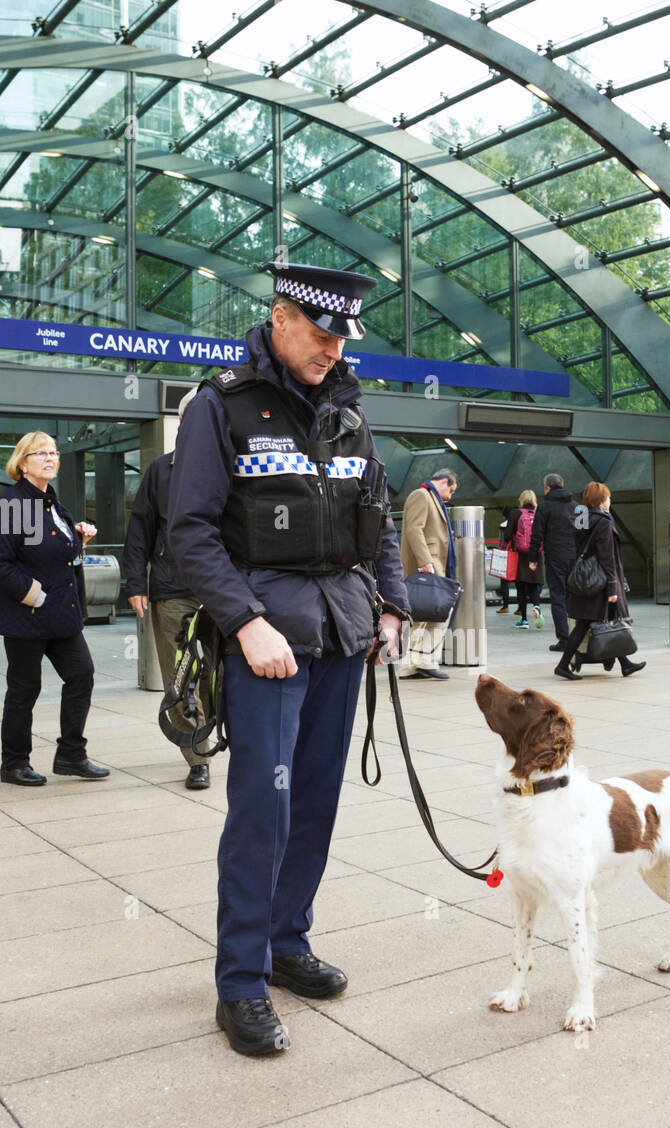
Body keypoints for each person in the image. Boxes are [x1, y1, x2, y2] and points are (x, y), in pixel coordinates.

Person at [167, 261, 408, 1059]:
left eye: (343, 337)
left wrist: (392, 605)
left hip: (341, 634)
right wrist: (244, 623)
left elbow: (376, 515)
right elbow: (191, 531)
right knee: (261, 811)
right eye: (321, 332)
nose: (333, 349)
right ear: (280, 317)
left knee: (313, 804)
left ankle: (284, 941)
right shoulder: (221, 405)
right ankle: (238, 982)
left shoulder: (348, 410)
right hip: (267, 640)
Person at [0, 431, 108, 785]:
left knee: (81, 675)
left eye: (54, 453)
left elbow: (55, 555)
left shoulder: (53, 504)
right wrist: (37, 595)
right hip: (28, 617)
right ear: (23, 462)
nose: (50, 458)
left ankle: (71, 755)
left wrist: (79, 538)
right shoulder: (16, 504)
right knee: (24, 690)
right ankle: (14, 762)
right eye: (40, 453)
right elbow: (4, 565)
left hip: (62, 617)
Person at [123, 389, 210, 790]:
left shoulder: (229, 465)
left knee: (222, 676)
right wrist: (135, 582)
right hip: (173, 589)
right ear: (182, 419)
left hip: (224, 591)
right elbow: (140, 528)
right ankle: (197, 756)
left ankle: (230, 739)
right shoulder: (160, 470)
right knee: (182, 676)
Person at [554, 481, 645, 681]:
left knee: (606, 621)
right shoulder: (603, 522)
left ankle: (625, 663)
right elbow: (607, 556)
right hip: (600, 581)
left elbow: (579, 546)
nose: (610, 500)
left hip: (585, 577)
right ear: (602, 499)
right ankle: (563, 665)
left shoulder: (582, 518)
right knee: (590, 623)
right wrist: (613, 587)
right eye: (609, 497)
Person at [400, 467, 458, 679]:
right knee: (435, 614)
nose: (450, 496)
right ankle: (422, 661)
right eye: (451, 490)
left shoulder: (430, 498)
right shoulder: (422, 495)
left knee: (422, 617)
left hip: (433, 564)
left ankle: (411, 666)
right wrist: (425, 561)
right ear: (443, 481)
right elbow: (414, 528)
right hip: (428, 566)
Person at [527, 473, 577, 651]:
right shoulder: (577, 506)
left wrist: (533, 558)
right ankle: (577, 637)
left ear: (547, 487)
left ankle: (564, 639)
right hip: (575, 557)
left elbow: (537, 533)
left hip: (555, 557)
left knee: (558, 597)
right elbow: (585, 532)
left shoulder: (545, 506)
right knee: (574, 597)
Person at [503, 489, 543, 629]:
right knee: (533, 585)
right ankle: (537, 607)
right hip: (536, 554)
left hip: (520, 555)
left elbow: (507, 534)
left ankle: (524, 620)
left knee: (521, 587)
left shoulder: (515, 513)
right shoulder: (539, 514)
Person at [495, 509, 511, 613]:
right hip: (516, 554)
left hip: (505, 555)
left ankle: (505, 606)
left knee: (504, 582)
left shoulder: (503, 526)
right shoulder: (518, 524)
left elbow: (502, 542)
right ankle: (520, 608)